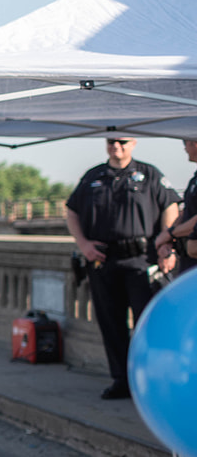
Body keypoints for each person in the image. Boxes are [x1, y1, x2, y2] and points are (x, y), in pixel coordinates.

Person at [65, 134, 180, 399]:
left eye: (122, 141)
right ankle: (122, 380)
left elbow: (170, 205)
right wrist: (83, 244)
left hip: (142, 259)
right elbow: (72, 211)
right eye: (111, 141)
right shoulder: (93, 177)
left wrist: (166, 243)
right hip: (103, 260)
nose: (116, 146)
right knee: (111, 324)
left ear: (134, 143)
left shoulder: (149, 174)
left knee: (147, 323)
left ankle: (149, 380)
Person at [153, 136, 197, 277]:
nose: (184, 148)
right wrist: (170, 235)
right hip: (188, 258)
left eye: (186, 142)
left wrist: (171, 233)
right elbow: (188, 212)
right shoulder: (194, 180)